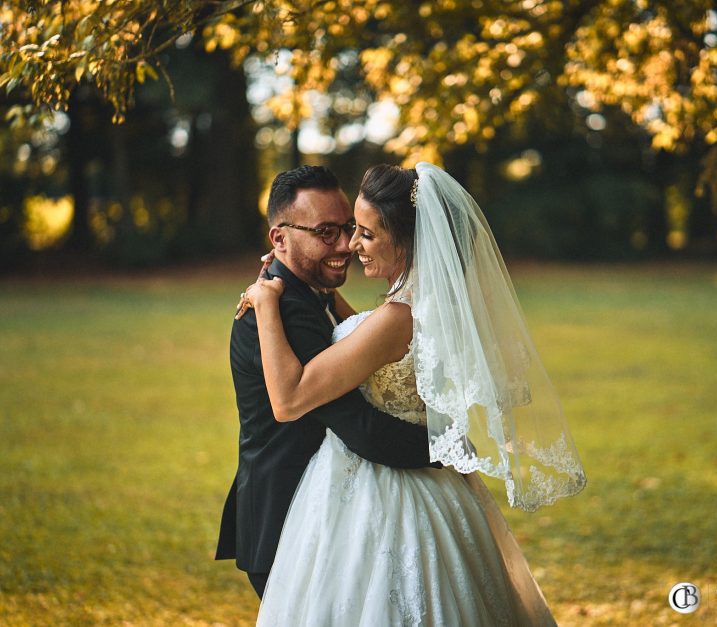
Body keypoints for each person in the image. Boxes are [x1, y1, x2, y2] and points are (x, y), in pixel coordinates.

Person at [242, 163, 586, 625]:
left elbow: (291, 398)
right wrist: (320, 292)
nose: (351, 245)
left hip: (385, 494)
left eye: (363, 233)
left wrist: (266, 301)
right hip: (436, 490)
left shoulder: (395, 318)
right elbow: (360, 332)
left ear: (404, 240)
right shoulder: (423, 303)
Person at [214, 165, 439, 598]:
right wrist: (443, 450)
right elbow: (359, 426)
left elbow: (363, 338)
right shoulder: (281, 312)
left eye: (349, 228)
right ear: (279, 239)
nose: (345, 245)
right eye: (325, 232)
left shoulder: (305, 292)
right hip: (288, 518)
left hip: (332, 517)